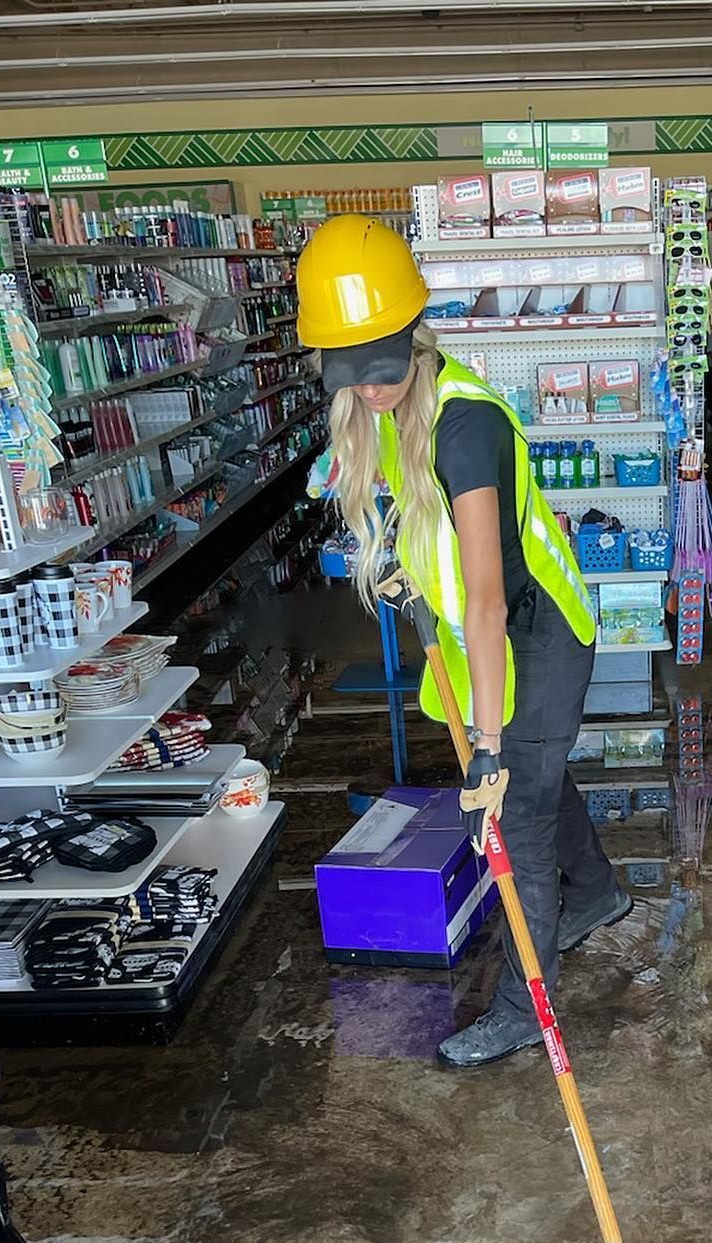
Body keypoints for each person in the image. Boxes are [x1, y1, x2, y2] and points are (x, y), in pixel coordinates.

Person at [297, 214, 632, 1069]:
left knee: (512, 807)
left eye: (378, 367)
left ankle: (527, 1008)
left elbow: (487, 602)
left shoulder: (465, 427)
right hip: (482, 623)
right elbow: (426, 535)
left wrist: (485, 746)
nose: (368, 388)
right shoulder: (383, 409)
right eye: (350, 371)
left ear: (414, 333)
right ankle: (596, 892)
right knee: (538, 778)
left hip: (540, 628)